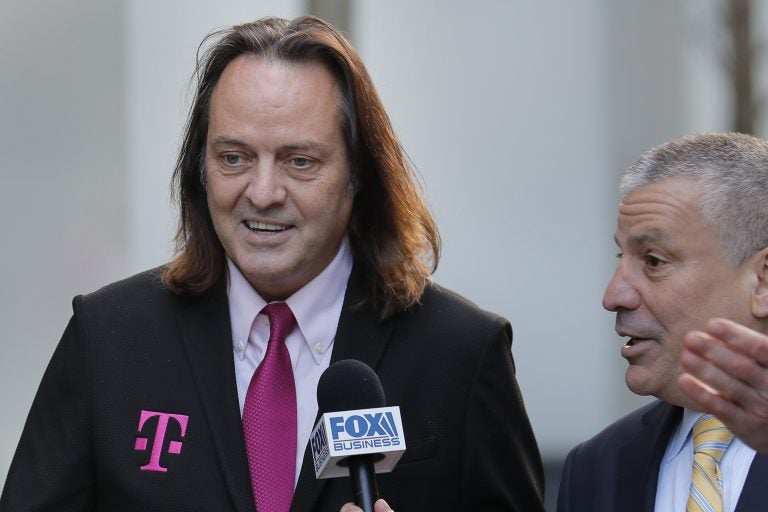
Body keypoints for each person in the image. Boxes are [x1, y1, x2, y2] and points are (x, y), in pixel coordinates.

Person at [0, 16, 544, 512]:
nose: (262, 192)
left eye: (299, 161)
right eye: (233, 158)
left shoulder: (461, 354)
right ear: (201, 169)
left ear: (358, 174)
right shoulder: (110, 339)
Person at [557, 132, 768, 512]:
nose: (614, 295)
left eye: (654, 261)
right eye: (620, 257)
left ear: (763, 281)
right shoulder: (595, 470)